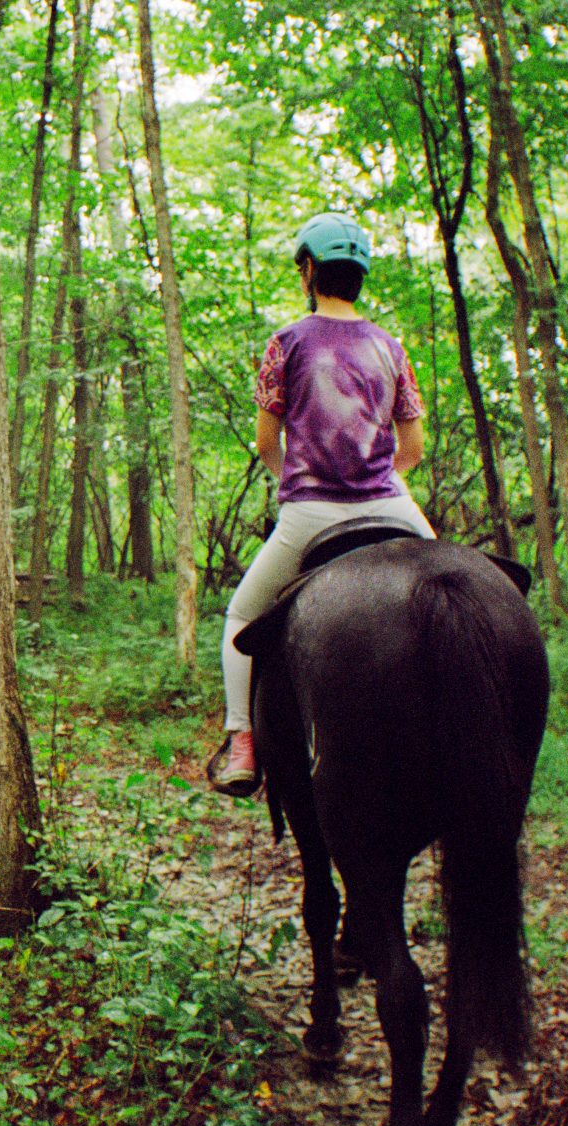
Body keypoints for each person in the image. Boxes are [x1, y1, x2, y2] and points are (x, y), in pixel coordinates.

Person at [210, 212, 435, 797]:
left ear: (308, 270)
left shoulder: (285, 343)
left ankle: (240, 742)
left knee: (240, 616)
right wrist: (375, 475)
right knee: (453, 591)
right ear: (360, 275)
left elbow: (266, 442)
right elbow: (411, 448)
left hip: (310, 515)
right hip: (392, 507)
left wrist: (300, 478)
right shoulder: (391, 347)